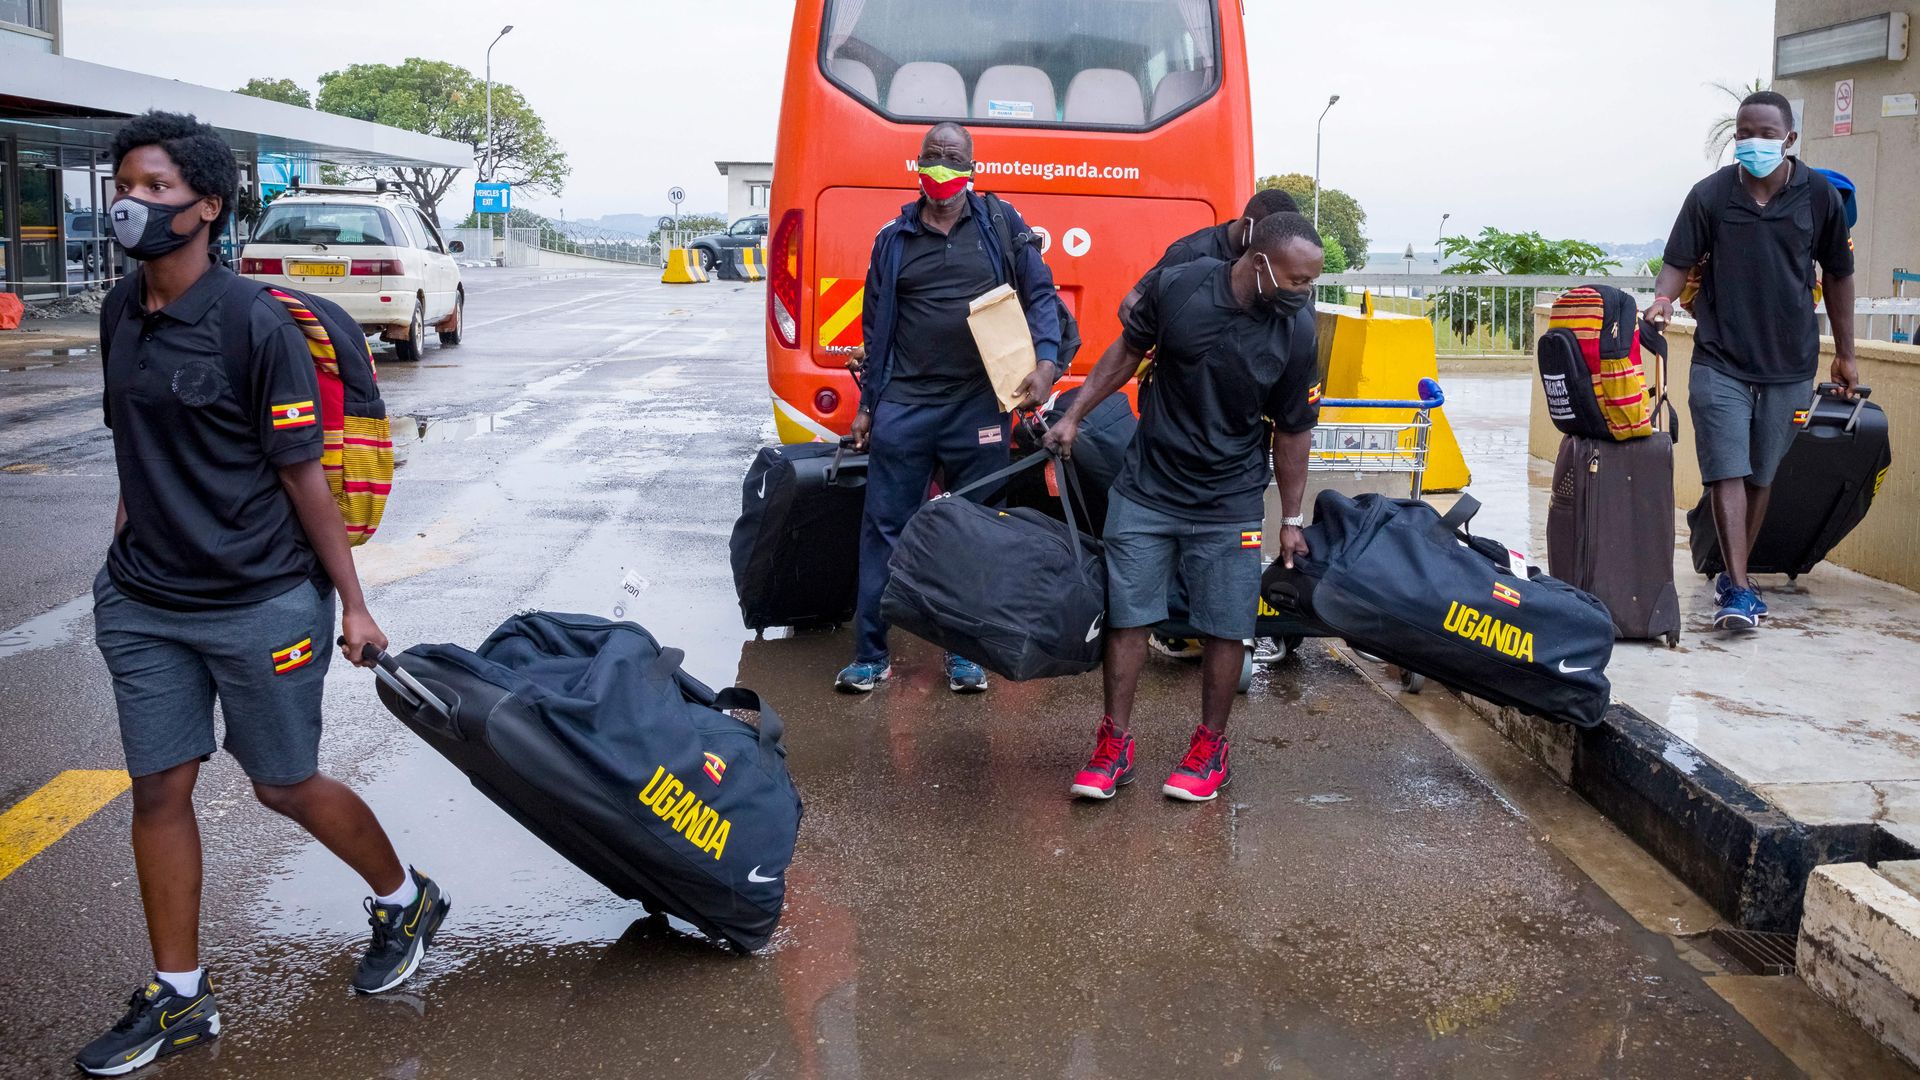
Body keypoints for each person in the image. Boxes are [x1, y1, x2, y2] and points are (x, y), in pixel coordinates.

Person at [77, 112, 450, 1076]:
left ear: (206, 207)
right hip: (147, 601)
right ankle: (181, 997)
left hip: (260, 600)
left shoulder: (255, 324)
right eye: (128, 182)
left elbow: (302, 478)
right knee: (160, 787)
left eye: (158, 188)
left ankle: (404, 897)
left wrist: (353, 605)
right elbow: (141, 439)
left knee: (282, 783)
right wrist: (130, 530)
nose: (134, 202)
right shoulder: (123, 310)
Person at [1045, 213, 1325, 802]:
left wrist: (1292, 520)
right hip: (1148, 487)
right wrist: (1073, 416)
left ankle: (1209, 748)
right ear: (1259, 263)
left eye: (1311, 282)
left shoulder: (1297, 331)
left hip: (1230, 500)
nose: (1304, 293)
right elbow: (1127, 351)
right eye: (1296, 280)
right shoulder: (1183, 286)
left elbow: (1295, 430)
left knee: (1226, 627)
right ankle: (1114, 744)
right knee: (1128, 617)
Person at [836, 121, 1063, 695]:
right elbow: (877, 329)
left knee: (976, 530)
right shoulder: (893, 240)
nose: (942, 167)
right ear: (916, 165)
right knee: (884, 529)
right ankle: (871, 653)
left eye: (952, 157)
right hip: (906, 408)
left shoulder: (999, 226)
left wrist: (1046, 363)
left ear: (971, 166)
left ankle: (965, 654)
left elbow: (1040, 294)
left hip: (979, 407)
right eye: (933, 157)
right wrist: (869, 408)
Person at [1646, 90, 1857, 631]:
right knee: (1726, 470)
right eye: (1744, 133)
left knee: (1761, 473)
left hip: (1790, 362)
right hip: (1720, 357)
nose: (1753, 142)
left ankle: (1732, 575)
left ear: (1788, 139)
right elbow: (1677, 262)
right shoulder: (1710, 196)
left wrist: (1846, 356)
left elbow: (1838, 275)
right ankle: (1738, 589)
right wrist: (1663, 299)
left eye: (1765, 134)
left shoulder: (1818, 198)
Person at [1151, 187, 1302, 272]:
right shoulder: (1190, 251)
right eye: (1267, 237)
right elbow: (1132, 303)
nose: (1271, 247)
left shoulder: (1264, 262)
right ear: (1248, 226)